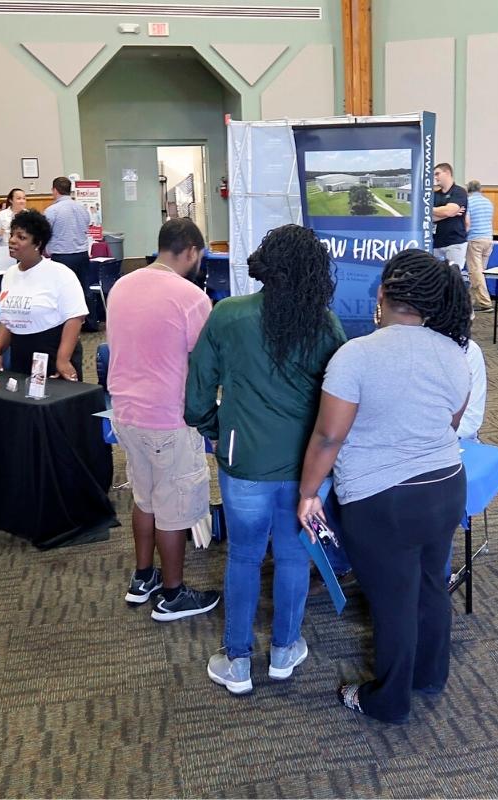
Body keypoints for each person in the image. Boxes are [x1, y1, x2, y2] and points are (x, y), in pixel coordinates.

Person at [297, 250, 471, 724]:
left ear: (383, 295)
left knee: (393, 602)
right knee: (432, 585)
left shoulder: (355, 355)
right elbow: (452, 421)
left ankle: (389, 701)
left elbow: (329, 436)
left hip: (382, 502)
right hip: (446, 487)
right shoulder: (454, 352)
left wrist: (308, 493)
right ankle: (429, 676)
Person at [185, 224, 346, 695]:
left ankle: (236, 661)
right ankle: (284, 649)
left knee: (244, 556)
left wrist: (219, 432)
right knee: (296, 557)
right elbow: (337, 403)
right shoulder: (326, 325)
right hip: (308, 472)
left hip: (244, 463)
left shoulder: (227, 316)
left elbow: (196, 399)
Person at [106, 217, 219, 622]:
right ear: (190, 250)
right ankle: (172, 594)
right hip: (168, 417)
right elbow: (206, 362)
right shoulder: (190, 297)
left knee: (145, 497)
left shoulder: (122, 284)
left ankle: (143, 578)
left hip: (125, 412)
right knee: (174, 507)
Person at [0, 209, 87, 381]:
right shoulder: (10, 274)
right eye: (12, 234)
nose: (12, 240)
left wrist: (63, 360)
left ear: (38, 244)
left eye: (21, 237)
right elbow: (8, 317)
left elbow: (75, 318)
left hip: (53, 351)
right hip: (21, 351)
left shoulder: (60, 273)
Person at [45, 177, 99, 330]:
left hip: (62, 256)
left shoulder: (52, 211)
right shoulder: (82, 208)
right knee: (84, 288)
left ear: (55, 190)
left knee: (62, 291)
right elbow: (87, 226)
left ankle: (64, 324)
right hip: (82, 253)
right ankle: (90, 322)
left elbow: (45, 232)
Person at [431, 164, 468, 278]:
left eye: (437, 174)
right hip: (436, 243)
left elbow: (448, 211)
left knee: (453, 276)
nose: (435, 177)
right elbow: (429, 217)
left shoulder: (459, 192)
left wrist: (434, 211)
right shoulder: (434, 195)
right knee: (435, 277)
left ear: (447, 173)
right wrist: (449, 213)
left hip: (455, 242)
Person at [463, 180, 495, 311]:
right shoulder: (488, 202)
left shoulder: (469, 202)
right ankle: (474, 300)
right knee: (481, 272)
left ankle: (485, 302)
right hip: (488, 239)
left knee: (475, 272)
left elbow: (467, 223)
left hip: (474, 239)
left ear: (468, 190)